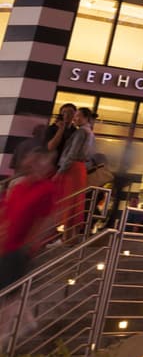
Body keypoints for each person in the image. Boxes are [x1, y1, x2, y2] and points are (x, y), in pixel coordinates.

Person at [0, 149, 59, 290]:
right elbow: (6, 213)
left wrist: (30, 245)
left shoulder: (46, 189)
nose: (35, 166)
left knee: (8, 294)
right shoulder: (19, 187)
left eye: (41, 164)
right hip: (6, 247)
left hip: (17, 251)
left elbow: (46, 219)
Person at [55, 107, 95, 241]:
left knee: (69, 202)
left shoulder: (81, 132)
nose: (75, 118)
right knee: (75, 203)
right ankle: (70, 238)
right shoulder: (89, 132)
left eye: (78, 116)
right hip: (80, 169)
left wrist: (60, 171)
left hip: (73, 168)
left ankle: (66, 238)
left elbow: (72, 153)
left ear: (86, 118)